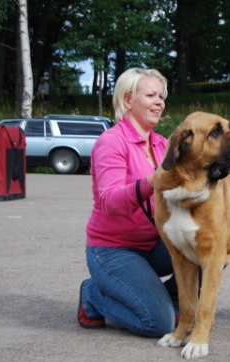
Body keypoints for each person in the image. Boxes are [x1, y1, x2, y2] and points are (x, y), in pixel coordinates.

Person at [78, 68, 179, 337]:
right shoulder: (111, 142)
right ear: (127, 100)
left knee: (215, 243)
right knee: (158, 324)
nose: (159, 101)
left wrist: (218, 166)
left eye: (161, 95)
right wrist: (151, 181)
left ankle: (176, 303)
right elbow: (110, 203)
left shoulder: (162, 144)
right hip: (113, 250)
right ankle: (92, 293)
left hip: (153, 245)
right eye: (151, 95)